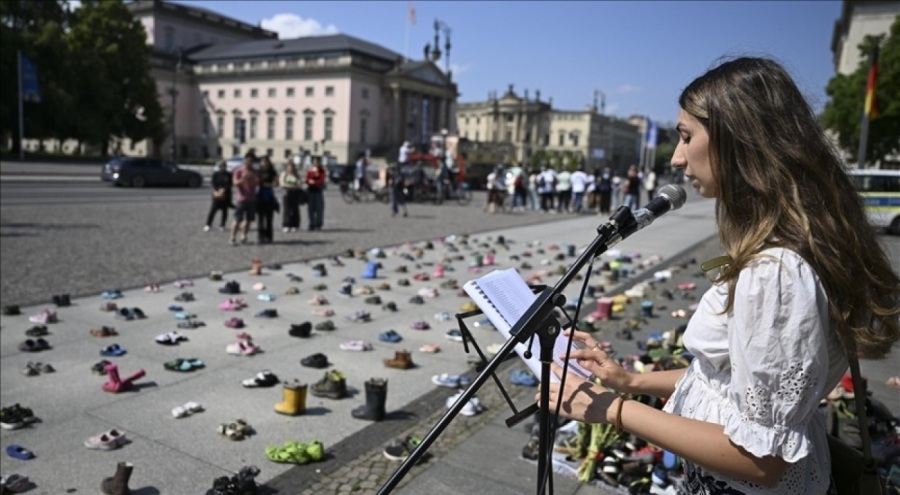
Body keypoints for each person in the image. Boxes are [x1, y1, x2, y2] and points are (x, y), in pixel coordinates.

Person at [539, 57, 900, 494]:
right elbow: (731, 386)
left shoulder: (777, 275)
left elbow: (761, 459)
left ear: (739, 139)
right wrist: (630, 381)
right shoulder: (779, 251)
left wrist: (611, 409)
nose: (676, 157)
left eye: (687, 136)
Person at [229, 155, 259, 246]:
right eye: (247, 161)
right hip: (241, 198)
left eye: (251, 162)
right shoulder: (239, 170)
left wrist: (253, 177)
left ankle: (244, 237)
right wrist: (244, 178)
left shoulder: (254, 171)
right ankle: (232, 238)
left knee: (248, 220)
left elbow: (257, 183)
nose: (249, 163)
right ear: (244, 162)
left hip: (251, 198)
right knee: (237, 219)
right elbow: (235, 183)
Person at [255, 156, 279, 244]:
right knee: (260, 218)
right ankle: (260, 237)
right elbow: (256, 181)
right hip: (260, 195)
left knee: (269, 218)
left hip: (269, 195)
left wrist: (272, 184)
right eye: (263, 161)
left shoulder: (272, 172)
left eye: (266, 161)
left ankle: (269, 237)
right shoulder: (258, 172)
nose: (264, 163)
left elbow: (276, 182)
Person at [205, 161, 232, 232]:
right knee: (212, 210)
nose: (222, 167)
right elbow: (213, 183)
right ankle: (208, 224)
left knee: (224, 211)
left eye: (224, 166)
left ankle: (222, 225)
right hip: (216, 195)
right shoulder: (216, 174)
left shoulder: (229, 174)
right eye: (221, 166)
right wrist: (217, 190)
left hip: (226, 195)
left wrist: (224, 189)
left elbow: (230, 184)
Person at [279, 161, 304, 233]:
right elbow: (282, 184)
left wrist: (291, 187)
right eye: (289, 167)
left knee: (295, 209)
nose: (291, 168)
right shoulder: (284, 174)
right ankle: (286, 225)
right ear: (287, 167)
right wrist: (293, 186)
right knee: (286, 209)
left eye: (292, 167)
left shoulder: (296, 175)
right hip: (286, 194)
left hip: (295, 194)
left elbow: (300, 185)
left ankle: (295, 225)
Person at [306, 156, 326, 231]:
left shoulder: (321, 171)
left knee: (319, 209)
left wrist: (314, 182)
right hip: (310, 191)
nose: (316, 163)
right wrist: (310, 182)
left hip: (318, 191)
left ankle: (318, 224)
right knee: (310, 209)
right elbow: (307, 179)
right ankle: (311, 223)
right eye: (314, 161)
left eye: (317, 161)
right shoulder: (310, 170)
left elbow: (321, 180)